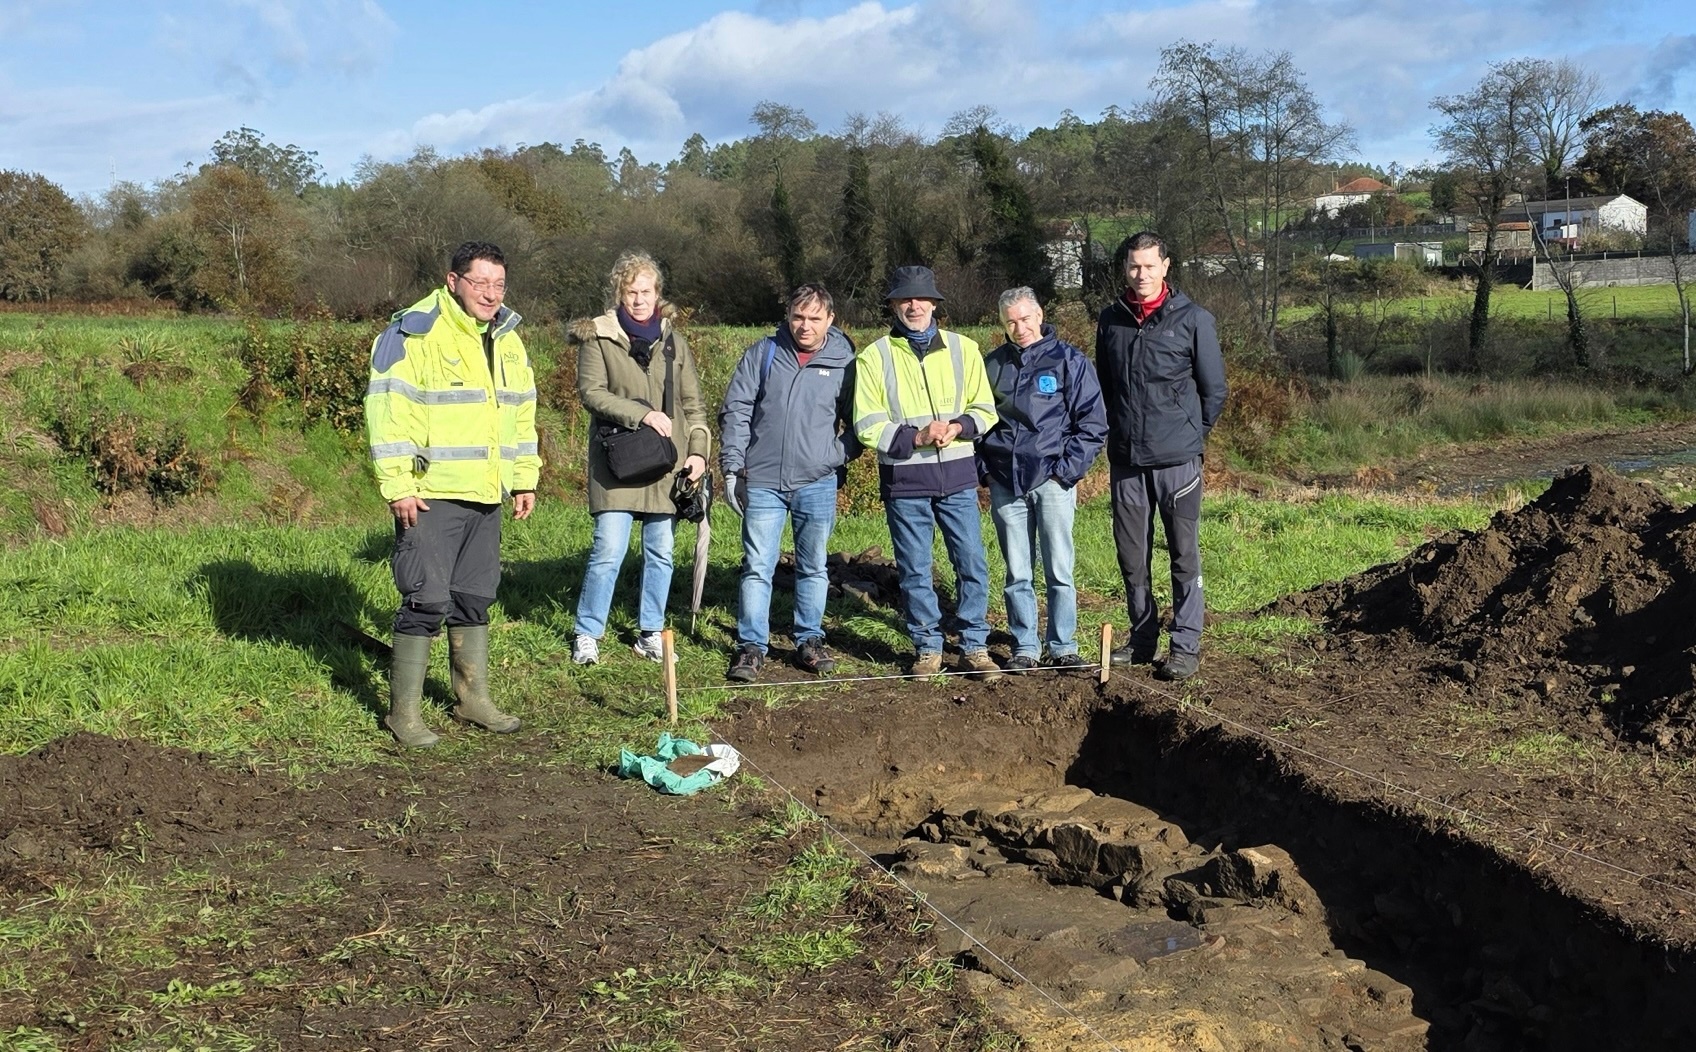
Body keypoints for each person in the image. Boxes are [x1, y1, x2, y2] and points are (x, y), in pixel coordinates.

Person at [364, 240, 540, 748]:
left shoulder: (508, 337)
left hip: (486, 493)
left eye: (498, 284)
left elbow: (522, 413)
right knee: (426, 599)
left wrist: (523, 477)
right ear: (453, 281)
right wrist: (398, 485)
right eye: (480, 282)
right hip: (430, 493)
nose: (490, 293)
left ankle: (472, 700)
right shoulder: (413, 331)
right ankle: (404, 715)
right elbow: (388, 411)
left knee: (474, 598)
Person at [853, 266, 1002, 681]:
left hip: (958, 478)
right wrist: (916, 436)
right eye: (905, 299)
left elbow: (985, 409)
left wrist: (959, 426)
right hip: (904, 481)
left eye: (921, 298)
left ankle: (974, 646)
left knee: (971, 563)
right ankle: (927, 648)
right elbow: (866, 422)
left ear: (935, 304)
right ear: (893, 305)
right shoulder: (874, 356)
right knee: (915, 569)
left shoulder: (964, 349)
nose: (914, 305)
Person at [1096, 232, 1228, 681]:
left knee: (1183, 556)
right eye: (1134, 266)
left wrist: (1190, 436)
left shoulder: (1194, 319)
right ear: (1125, 268)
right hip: (1127, 462)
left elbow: (1214, 391)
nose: (1141, 274)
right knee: (1132, 557)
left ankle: (1185, 645)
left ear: (1166, 267)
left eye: (1150, 266)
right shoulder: (1110, 320)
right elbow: (1106, 387)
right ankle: (1142, 637)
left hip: (1178, 463)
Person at [569, 251, 711, 665]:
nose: (638, 299)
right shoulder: (597, 337)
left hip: (667, 465)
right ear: (619, 293)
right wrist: (642, 415)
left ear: (657, 293)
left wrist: (699, 454)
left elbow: (693, 406)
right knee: (608, 551)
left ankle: (651, 632)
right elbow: (591, 393)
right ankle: (587, 633)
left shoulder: (674, 342)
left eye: (646, 291)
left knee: (661, 552)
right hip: (617, 463)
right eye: (631, 292)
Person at [718, 284, 859, 682]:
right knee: (757, 566)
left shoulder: (845, 361)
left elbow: (860, 422)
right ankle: (751, 646)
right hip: (762, 480)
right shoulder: (762, 353)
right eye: (798, 317)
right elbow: (736, 411)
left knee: (813, 566)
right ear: (788, 316)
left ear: (830, 320)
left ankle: (809, 640)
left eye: (815, 318)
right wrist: (733, 468)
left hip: (817, 483)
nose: (805, 326)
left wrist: (831, 457)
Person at [978, 287, 1108, 673]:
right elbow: (976, 420)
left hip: (1053, 480)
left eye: (1025, 319)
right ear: (1003, 324)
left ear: (1039, 316)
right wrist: (986, 470)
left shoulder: (1069, 361)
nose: (1020, 328)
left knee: (1059, 568)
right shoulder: (992, 365)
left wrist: (1065, 472)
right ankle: (1025, 646)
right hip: (1006, 481)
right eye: (1011, 322)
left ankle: (1063, 645)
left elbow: (1093, 423)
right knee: (1017, 571)